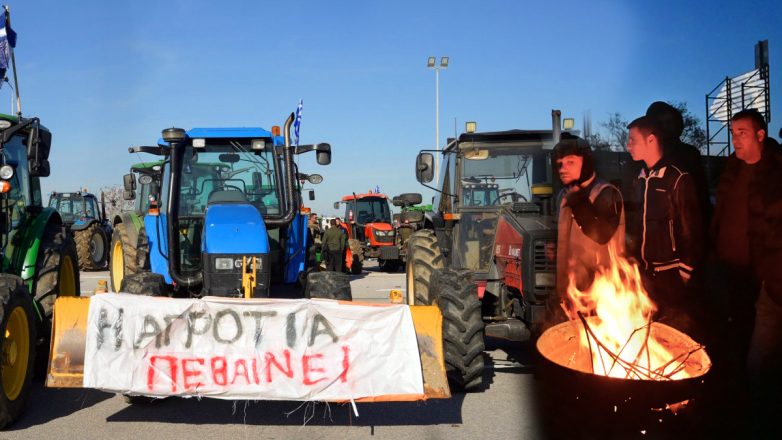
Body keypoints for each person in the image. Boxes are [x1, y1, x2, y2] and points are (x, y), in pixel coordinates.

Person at [711, 108, 782, 437]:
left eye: (742, 132)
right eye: (733, 132)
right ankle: (737, 405)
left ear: (760, 136)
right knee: (736, 342)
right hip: (732, 274)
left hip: (767, 278)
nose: (735, 138)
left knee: (762, 354)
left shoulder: (775, 173)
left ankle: (760, 416)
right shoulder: (732, 170)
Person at [625, 116, 704, 334]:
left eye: (632, 140)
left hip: (671, 278)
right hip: (644, 276)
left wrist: (684, 273)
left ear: (651, 140)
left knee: (671, 335)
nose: (627, 145)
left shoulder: (677, 178)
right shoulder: (640, 179)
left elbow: (692, 230)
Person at [553, 137, 625, 314]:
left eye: (571, 162)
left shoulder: (606, 192)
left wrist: (578, 202)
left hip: (602, 292)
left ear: (586, 162)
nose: (563, 169)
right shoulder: (564, 195)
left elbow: (601, 235)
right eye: (560, 164)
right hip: (571, 291)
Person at [646, 101, 711, 225]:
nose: (665, 127)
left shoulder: (689, 154)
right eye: (660, 123)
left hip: (683, 226)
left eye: (669, 122)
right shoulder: (645, 156)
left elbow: (701, 196)